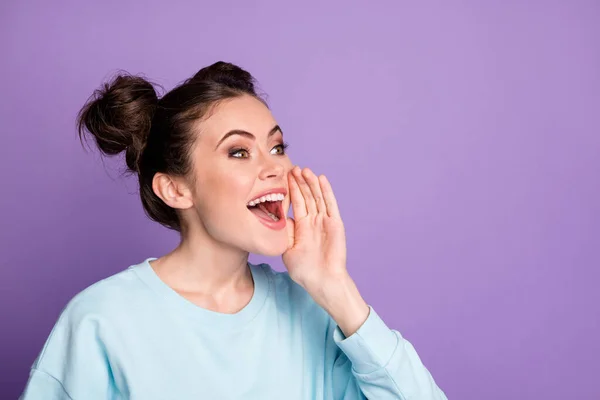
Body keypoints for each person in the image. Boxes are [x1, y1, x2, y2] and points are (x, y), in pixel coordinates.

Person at [20, 62, 447, 399]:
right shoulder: (102, 320)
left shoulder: (313, 310)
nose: (276, 167)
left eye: (277, 147)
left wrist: (336, 288)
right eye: (239, 151)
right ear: (175, 188)